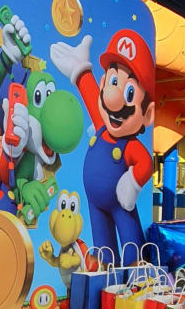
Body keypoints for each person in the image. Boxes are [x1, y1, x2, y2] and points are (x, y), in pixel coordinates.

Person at [50, 29, 154, 264]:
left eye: (129, 92)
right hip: (95, 203)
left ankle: (134, 269)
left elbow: (146, 163)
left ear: (147, 113)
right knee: (103, 245)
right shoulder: (102, 126)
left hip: (119, 203)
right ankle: (106, 272)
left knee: (130, 241)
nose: (113, 98)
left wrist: (133, 182)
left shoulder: (129, 145)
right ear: (104, 83)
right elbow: (91, 97)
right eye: (113, 81)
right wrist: (80, 69)